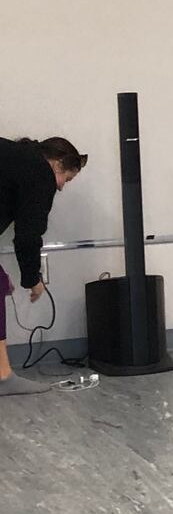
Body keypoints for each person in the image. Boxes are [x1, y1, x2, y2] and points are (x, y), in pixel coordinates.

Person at [1, 136, 87, 397]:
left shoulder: (16, 158)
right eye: (66, 179)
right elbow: (28, 235)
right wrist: (32, 279)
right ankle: (2, 376)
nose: (60, 187)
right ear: (57, 163)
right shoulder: (39, 172)